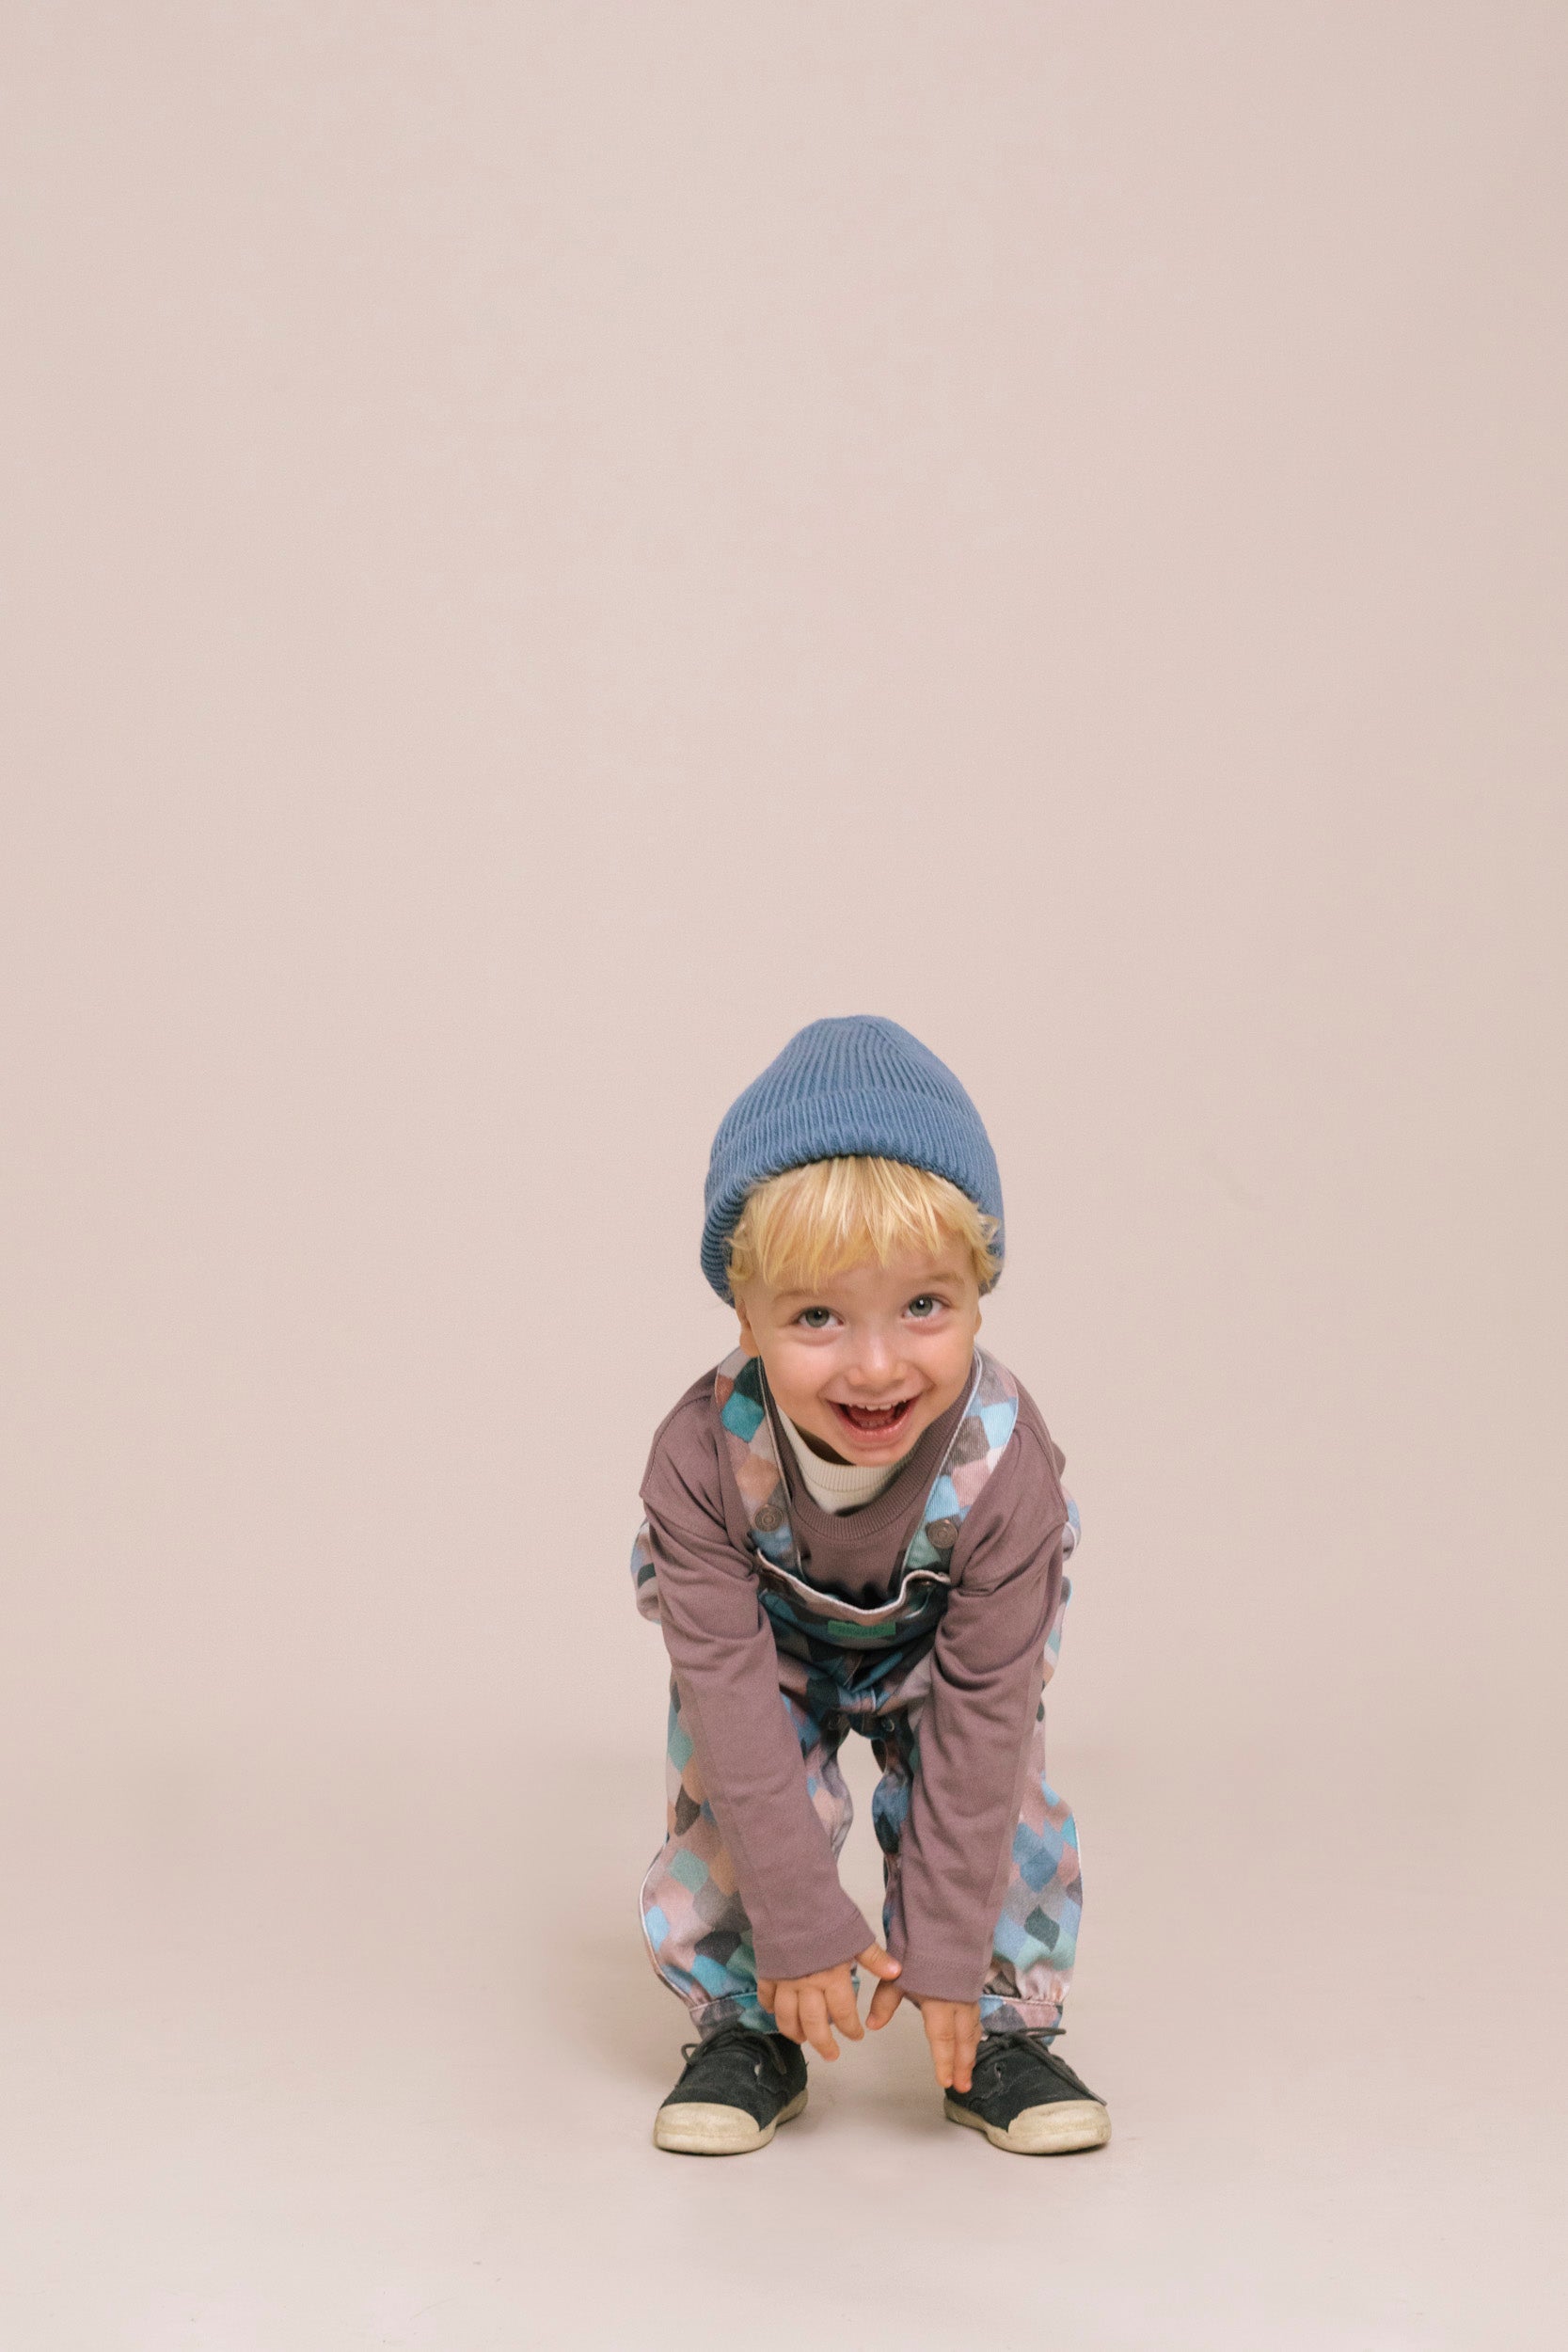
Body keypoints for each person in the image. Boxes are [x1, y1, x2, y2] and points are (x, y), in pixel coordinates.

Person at [630, 1016, 1109, 2158]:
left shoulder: (1004, 1467)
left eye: (922, 1306)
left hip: (948, 1655)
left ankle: (998, 2023)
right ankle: (746, 2022)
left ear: (979, 1291)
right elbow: (728, 1700)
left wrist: (942, 1944)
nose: (876, 1364)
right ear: (742, 1314)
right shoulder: (701, 1457)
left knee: (1003, 1795)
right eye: (815, 1316)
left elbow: (984, 1713)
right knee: (731, 1793)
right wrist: (800, 1923)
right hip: (765, 1654)